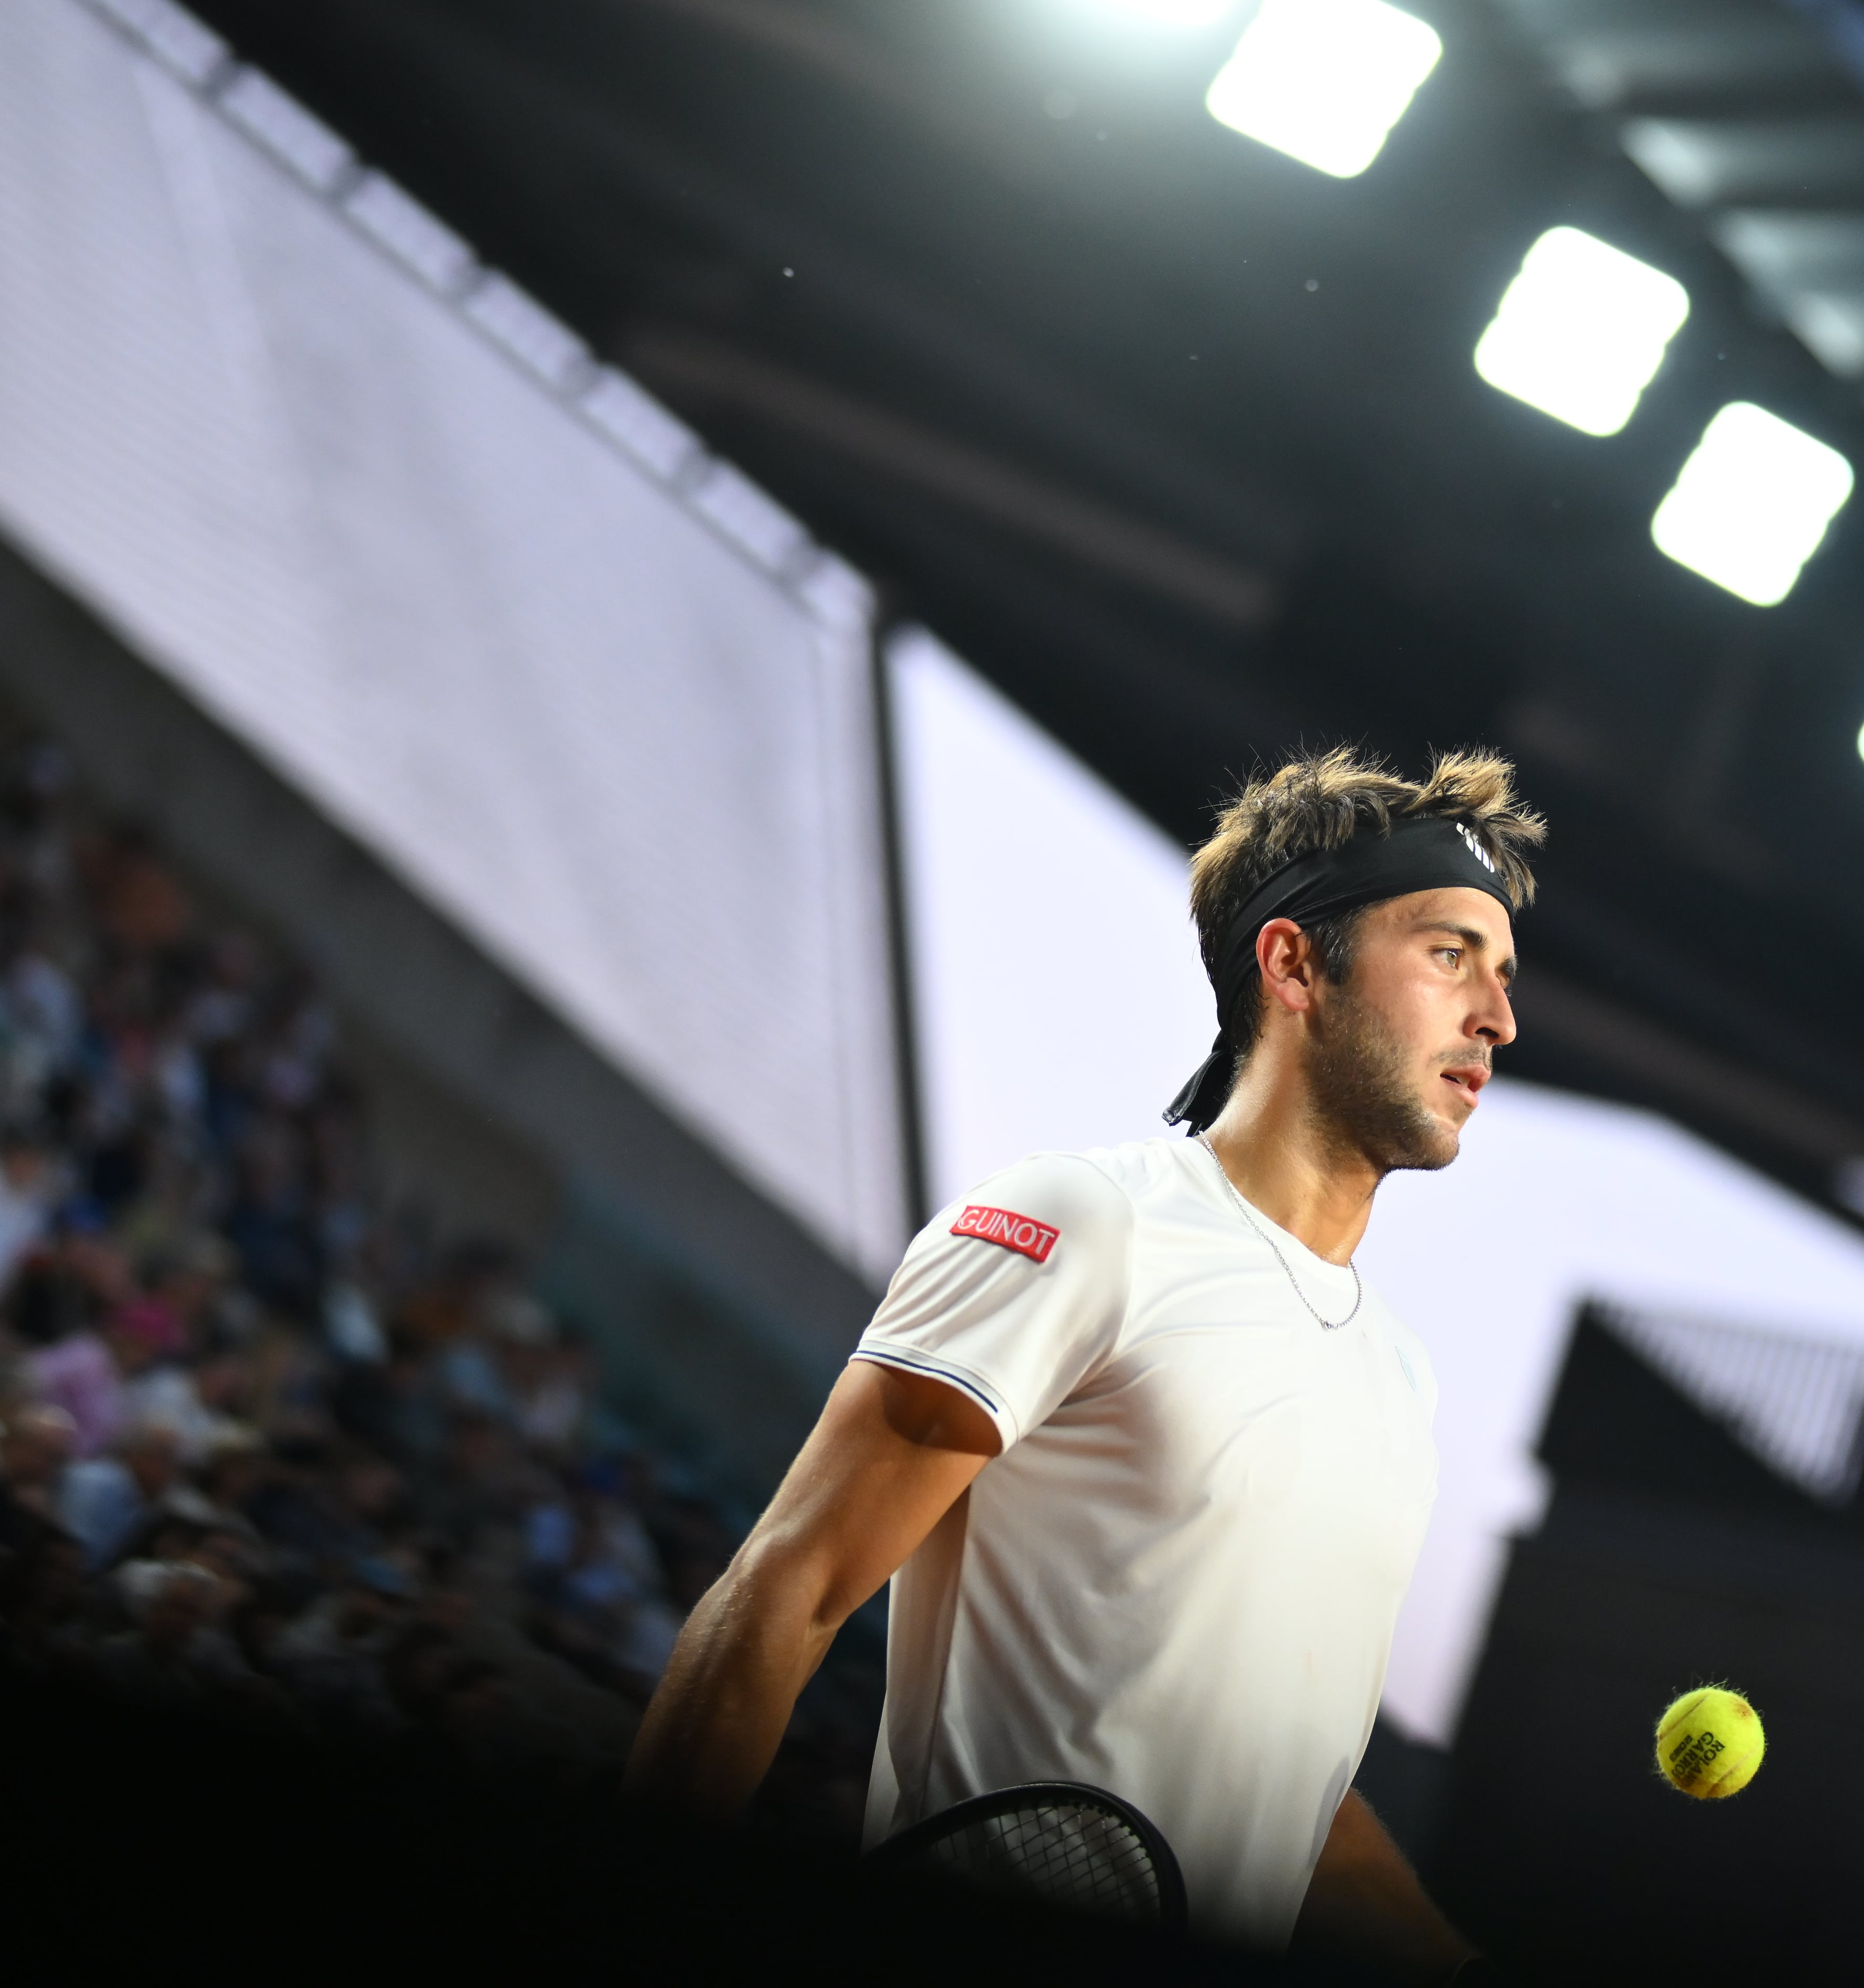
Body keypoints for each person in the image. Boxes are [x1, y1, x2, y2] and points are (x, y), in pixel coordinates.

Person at [632, 748, 1542, 1973]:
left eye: (1499, 974)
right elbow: (781, 1597)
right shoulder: (1087, 1223)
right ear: (1291, 965)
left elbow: (1293, 1806)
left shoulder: (1399, 1382)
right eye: (1448, 955)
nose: (1497, 1017)